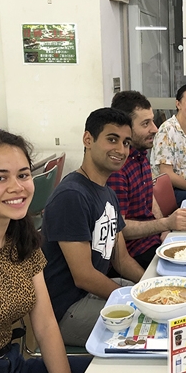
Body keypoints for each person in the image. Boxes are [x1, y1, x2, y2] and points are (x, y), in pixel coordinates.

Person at [0, 130, 99, 373]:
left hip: (14, 368)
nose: (17, 187)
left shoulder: (20, 239)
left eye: (23, 175)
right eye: (0, 178)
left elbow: (46, 325)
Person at [42, 108, 145, 347]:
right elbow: (84, 277)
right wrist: (131, 301)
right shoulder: (72, 196)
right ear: (88, 140)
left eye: (126, 142)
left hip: (94, 294)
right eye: (112, 139)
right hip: (69, 310)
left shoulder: (108, 192)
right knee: (149, 321)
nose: (121, 150)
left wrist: (152, 287)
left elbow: (122, 260)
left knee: (163, 304)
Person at [108, 91, 186, 270]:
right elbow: (121, 229)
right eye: (145, 123)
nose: (155, 129)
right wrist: (165, 224)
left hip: (154, 238)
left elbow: (150, 199)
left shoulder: (140, 156)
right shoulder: (117, 169)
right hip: (137, 250)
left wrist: (164, 230)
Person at [150, 84, 186, 206]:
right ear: (178, 104)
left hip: (182, 187)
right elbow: (167, 174)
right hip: (166, 191)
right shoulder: (167, 130)